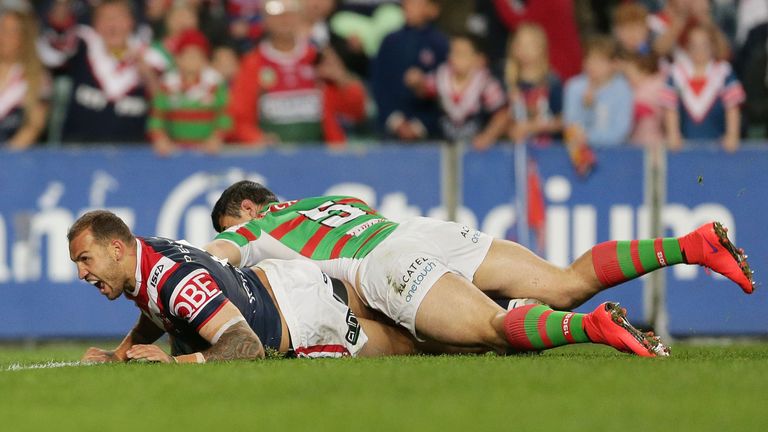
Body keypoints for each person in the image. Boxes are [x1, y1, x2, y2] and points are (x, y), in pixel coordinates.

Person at [202, 181, 754, 356]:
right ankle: (692, 244)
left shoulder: (251, 229)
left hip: (387, 263)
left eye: (231, 220)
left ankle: (596, 328)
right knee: (562, 281)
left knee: (493, 330)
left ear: (247, 209)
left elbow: (211, 265)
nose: (233, 230)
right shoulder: (333, 199)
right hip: (416, 231)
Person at [68, 210, 418, 363]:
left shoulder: (177, 282)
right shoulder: (141, 255)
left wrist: (177, 363)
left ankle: (470, 336)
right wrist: (121, 352)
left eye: (86, 259)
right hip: (282, 281)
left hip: (301, 318)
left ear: (115, 249)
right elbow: (158, 308)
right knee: (403, 320)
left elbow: (246, 345)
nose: (82, 273)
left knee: (411, 345)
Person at [228, 0, 366, 146]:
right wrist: (256, 139)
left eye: (290, 14)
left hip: (320, 155)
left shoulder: (318, 58)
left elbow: (356, 111)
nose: (284, 20)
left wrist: (343, 79)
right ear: (265, 20)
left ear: (300, 17)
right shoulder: (253, 64)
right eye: (277, 15)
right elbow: (238, 119)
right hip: (273, 157)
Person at [37, 0, 152, 144]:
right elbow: (54, 49)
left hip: (133, 153)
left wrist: (148, 75)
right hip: (77, 152)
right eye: (105, 18)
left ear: (131, 22)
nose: (112, 25)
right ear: (94, 24)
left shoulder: (149, 55)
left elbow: (164, 104)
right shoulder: (82, 44)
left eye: (118, 18)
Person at [404, 33, 507, 150]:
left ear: (479, 59)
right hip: (445, 145)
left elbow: (502, 113)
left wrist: (488, 136)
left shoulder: (486, 83)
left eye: (462, 54)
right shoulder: (441, 76)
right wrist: (417, 83)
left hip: (475, 148)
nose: (455, 58)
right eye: (453, 52)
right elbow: (424, 91)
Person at [370, 0, 448, 141]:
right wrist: (395, 121)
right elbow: (378, 84)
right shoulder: (389, 42)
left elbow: (446, 91)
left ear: (433, 9)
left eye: (416, 3)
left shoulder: (441, 44)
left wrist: (421, 125)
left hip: (430, 133)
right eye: (407, 2)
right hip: (389, 131)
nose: (408, 6)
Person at [661, 23, 745, 152]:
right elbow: (670, 108)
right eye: (694, 45)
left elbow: (732, 107)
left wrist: (732, 134)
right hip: (684, 146)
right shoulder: (676, 73)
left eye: (704, 45)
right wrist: (673, 133)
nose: (699, 50)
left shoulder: (724, 72)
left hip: (718, 146)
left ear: (712, 46)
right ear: (687, 47)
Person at [147, 29, 231, 155]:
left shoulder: (215, 84)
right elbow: (156, 119)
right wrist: (160, 139)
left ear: (204, 60)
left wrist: (217, 138)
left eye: (197, 56)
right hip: (174, 152)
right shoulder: (167, 85)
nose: (192, 60)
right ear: (178, 59)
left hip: (208, 153)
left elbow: (225, 117)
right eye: (187, 56)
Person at [563, 36, 634, 148]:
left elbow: (621, 131)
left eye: (599, 60)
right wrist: (586, 107)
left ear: (614, 64)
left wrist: (589, 137)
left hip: (615, 153)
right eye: (589, 59)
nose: (592, 65)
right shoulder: (574, 87)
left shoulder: (623, 89)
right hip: (580, 153)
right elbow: (570, 126)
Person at [504, 23, 563, 146]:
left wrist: (532, 127)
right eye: (520, 44)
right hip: (516, 150)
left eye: (530, 45)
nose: (525, 50)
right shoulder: (508, 82)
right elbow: (503, 117)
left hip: (549, 150)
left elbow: (562, 120)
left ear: (542, 48)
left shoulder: (552, 82)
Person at [0, 5, 50, 148]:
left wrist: (7, 157)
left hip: (16, 157)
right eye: (2, 29)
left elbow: (34, 126)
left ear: (24, 37)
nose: (4, 37)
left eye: (12, 31)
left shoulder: (37, 77)